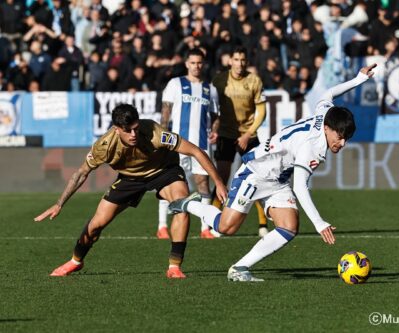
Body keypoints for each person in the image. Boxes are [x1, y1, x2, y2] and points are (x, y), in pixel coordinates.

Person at [169, 64, 377, 282]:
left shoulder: (326, 114)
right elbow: (300, 186)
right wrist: (318, 222)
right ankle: (188, 204)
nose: (342, 143)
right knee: (226, 227)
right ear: (327, 128)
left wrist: (358, 80)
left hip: (277, 178)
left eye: (346, 139)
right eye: (340, 136)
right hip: (256, 172)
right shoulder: (312, 147)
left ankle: (240, 268)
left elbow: (328, 94)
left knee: (289, 226)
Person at [34, 104, 227, 279]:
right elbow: (81, 173)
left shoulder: (154, 131)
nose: (134, 134)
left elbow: (195, 151)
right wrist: (59, 203)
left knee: (181, 206)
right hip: (129, 179)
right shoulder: (104, 146)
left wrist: (218, 182)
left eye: (136, 128)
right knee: (95, 225)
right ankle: (76, 261)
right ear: (117, 130)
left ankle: (174, 267)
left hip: (164, 171)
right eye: (128, 131)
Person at [157, 48, 220, 240]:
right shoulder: (176, 84)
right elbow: (165, 111)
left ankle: (205, 228)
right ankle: (162, 226)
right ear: (187, 64)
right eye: (193, 62)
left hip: (201, 144)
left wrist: (215, 130)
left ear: (203, 64)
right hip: (177, 144)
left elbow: (216, 115)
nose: (196, 66)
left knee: (203, 183)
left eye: (199, 63)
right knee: (170, 181)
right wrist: (162, 136)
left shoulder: (211, 89)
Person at [211, 46, 269, 237]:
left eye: (243, 60)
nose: (240, 64)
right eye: (236, 59)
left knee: (257, 178)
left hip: (248, 136)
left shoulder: (254, 80)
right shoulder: (219, 80)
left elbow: (262, 111)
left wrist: (248, 134)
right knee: (221, 177)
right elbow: (213, 109)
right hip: (226, 135)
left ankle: (262, 225)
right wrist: (214, 128)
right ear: (230, 61)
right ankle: (214, 223)